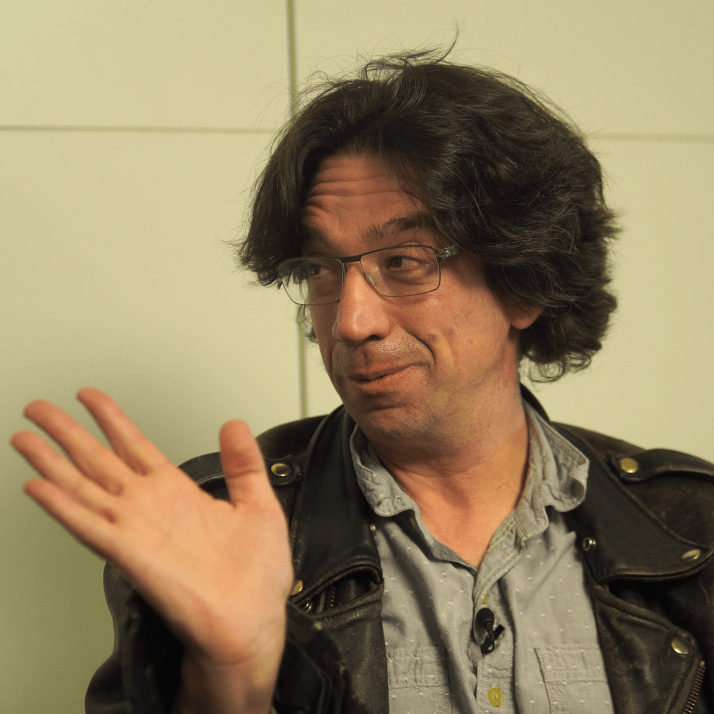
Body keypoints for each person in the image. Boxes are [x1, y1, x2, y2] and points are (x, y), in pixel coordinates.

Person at [12, 49, 714, 714]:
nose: (350, 321)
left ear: (524, 282)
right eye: (321, 270)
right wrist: (232, 676)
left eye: (403, 262)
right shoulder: (212, 532)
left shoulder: (692, 528)